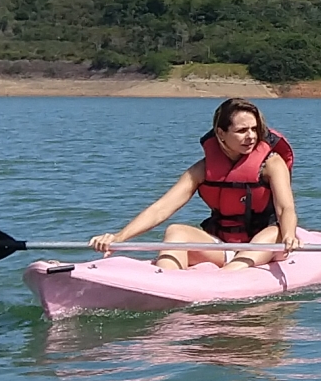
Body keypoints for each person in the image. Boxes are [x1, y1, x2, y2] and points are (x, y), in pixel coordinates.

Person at [89, 97, 301, 270]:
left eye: (254, 129)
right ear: (221, 133)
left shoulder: (272, 164)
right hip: (223, 244)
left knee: (275, 231)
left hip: (266, 244)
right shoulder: (203, 169)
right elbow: (161, 208)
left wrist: (290, 234)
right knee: (175, 231)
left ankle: (226, 277)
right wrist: (119, 237)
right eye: (241, 131)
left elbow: (285, 208)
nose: (251, 136)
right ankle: (164, 281)